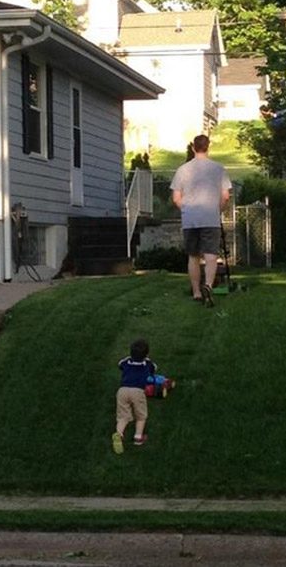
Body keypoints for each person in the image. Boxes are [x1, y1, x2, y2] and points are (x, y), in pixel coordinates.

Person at [171, 134, 232, 306]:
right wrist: (216, 209)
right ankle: (208, 286)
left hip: (190, 218)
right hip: (210, 216)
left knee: (193, 256)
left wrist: (186, 209)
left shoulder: (182, 170)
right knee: (211, 254)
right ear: (208, 147)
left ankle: (196, 291)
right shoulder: (218, 169)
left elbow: (176, 198)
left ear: (193, 148)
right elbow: (226, 196)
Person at [112, 338, 157, 454]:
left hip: (122, 390)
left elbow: (120, 365)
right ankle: (138, 437)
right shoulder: (147, 363)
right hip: (137, 391)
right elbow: (154, 369)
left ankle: (119, 434)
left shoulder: (126, 361)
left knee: (123, 416)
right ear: (146, 354)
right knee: (141, 416)